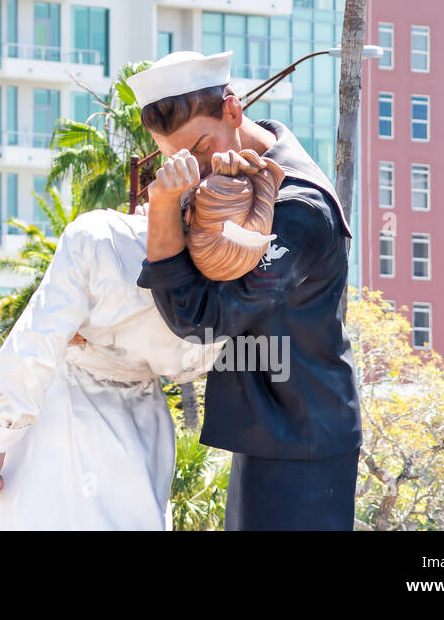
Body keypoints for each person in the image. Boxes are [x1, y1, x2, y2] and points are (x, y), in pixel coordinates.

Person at [131, 50, 362, 530]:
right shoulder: (232, 180)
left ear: (233, 110)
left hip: (304, 441)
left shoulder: (297, 208)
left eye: (197, 148)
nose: (192, 168)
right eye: (176, 159)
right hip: (270, 430)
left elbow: (201, 318)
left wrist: (163, 211)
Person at [0, 206, 223, 530]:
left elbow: (36, 342)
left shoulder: (101, 237)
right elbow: (186, 369)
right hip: (140, 429)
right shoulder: (226, 290)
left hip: (62, 414)